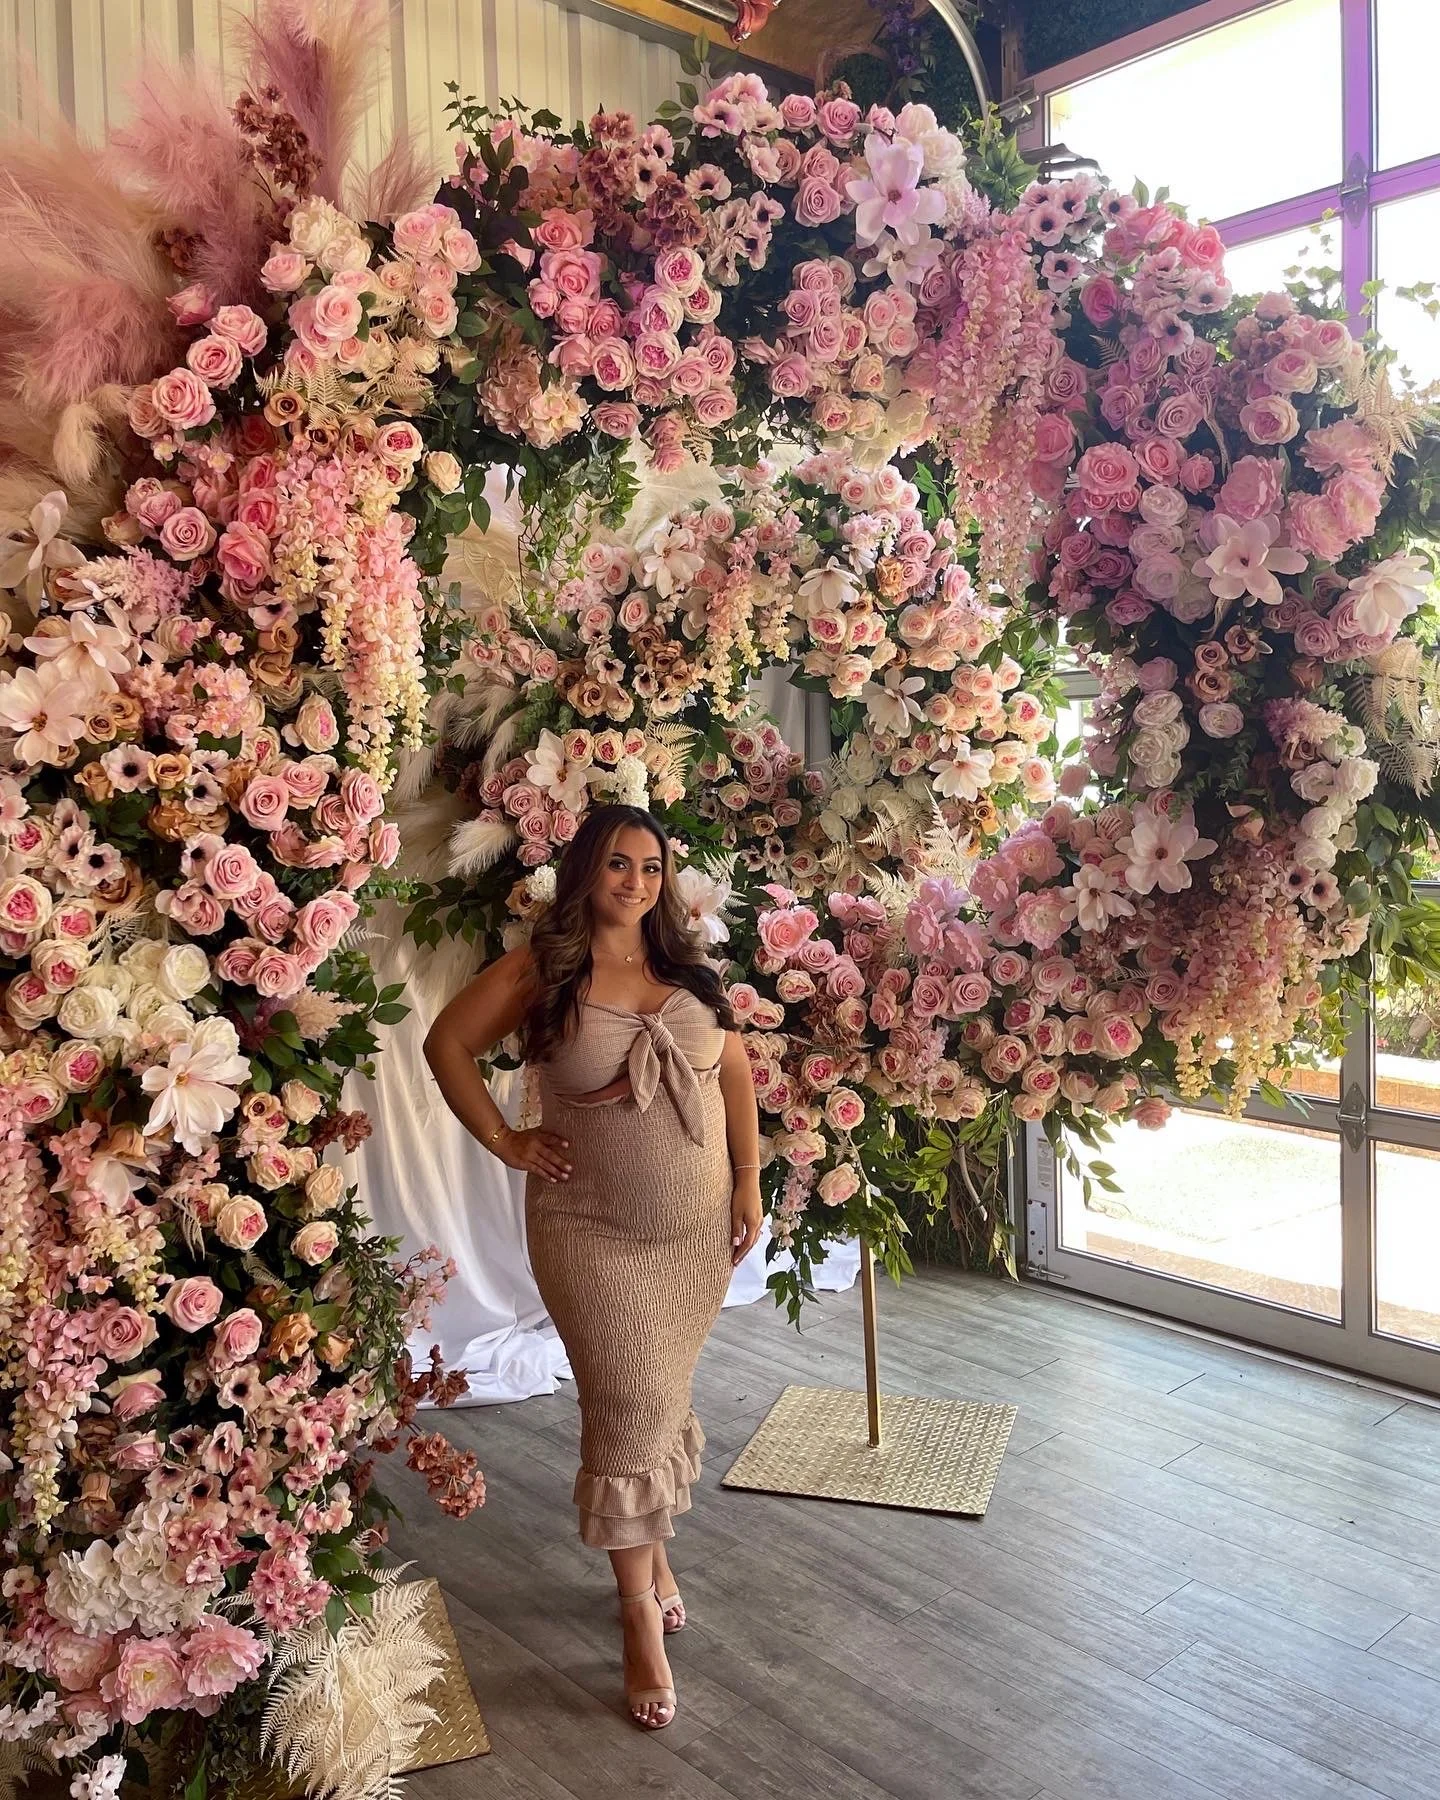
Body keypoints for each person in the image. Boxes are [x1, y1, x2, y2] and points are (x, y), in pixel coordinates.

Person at [423, 803, 764, 1731]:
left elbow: (731, 1069)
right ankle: (634, 1614)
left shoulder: (683, 968)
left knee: (655, 1396)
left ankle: (651, 1558)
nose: (636, 883)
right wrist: (505, 1138)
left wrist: (747, 1182)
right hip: (589, 1232)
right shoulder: (546, 969)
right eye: (619, 865)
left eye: (652, 868)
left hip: (692, 1233)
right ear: (586, 872)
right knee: (625, 1405)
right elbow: (445, 1043)